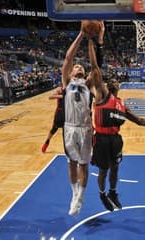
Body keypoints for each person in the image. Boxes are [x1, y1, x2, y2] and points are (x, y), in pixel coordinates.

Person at [87, 35, 145, 212]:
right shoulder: (102, 95)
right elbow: (95, 69)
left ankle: (113, 192)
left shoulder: (122, 104)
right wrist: (91, 44)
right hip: (100, 139)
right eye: (112, 80)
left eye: (117, 79)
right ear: (108, 85)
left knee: (115, 168)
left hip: (115, 139)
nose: (114, 80)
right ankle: (102, 194)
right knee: (103, 170)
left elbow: (139, 121)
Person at [61, 25, 95, 216]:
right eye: (76, 66)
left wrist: (93, 41)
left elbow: (95, 66)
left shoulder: (88, 83)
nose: (78, 66)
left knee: (83, 164)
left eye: (81, 66)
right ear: (72, 73)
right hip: (70, 128)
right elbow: (68, 58)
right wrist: (82, 34)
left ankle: (80, 196)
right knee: (71, 164)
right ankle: (74, 194)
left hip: (86, 128)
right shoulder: (67, 83)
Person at [41, 85, 64, 153]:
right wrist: (61, 96)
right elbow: (50, 97)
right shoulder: (60, 89)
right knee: (54, 129)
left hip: (69, 113)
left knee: (67, 131)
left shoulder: (72, 87)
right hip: (60, 112)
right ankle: (47, 142)